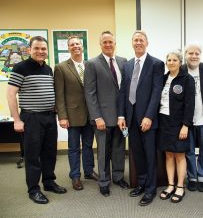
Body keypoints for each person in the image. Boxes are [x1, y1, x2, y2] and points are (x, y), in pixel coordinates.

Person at [6, 36, 67, 204]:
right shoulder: (21, 67)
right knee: (33, 155)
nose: (41, 51)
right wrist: (16, 119)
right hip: (31, 118)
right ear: (29, 50)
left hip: (49, 117)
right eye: (37, 48)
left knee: (49, 153)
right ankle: (33, 189)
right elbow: (11, 94)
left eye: (43, 49)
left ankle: (48, 182)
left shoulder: (48, 69)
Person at [118, 30, 164, 206]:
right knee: (137, 155)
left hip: (147, 120)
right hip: (130, 119)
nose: (138, 43)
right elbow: (123, 92)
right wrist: (121, 115)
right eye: (135, 40)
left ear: (147, 43)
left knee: (150, 155)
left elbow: (156, 92)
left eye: (141, 40)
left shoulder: (156, 64)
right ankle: (142, 183)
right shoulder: (128, 65)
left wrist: (149, 116)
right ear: (132, 43)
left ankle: (151, 189)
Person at [85, 31, 129, 197]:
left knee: (118, 149)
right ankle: (103, 181)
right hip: (102, 118)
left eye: (111, 42)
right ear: (100, 44)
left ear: (115, 43)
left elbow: (123, 90)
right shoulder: (92, 63)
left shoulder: (123, 62)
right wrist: (97, 117)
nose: (108, 44)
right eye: (105, 42)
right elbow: (90, 93)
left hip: (120, 117)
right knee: (103, 150)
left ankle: (118, 177)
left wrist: (123, 115)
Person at [54, 36, 98, 191]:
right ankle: (75, 176)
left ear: (82, 46)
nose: (75, 46)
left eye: (78, 44)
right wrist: (62, 116)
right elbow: (59, 94)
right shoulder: (61, 68)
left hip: (89, 114)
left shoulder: (90, 65)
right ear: (68, 48)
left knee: (88, 145)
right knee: (73, 148)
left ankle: (88, 171)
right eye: (72, 44)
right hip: (72, 116)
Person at [158, 51, 195, 203]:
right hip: (163, 122)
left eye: (174, 60)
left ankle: (180, 186)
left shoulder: (187, 79)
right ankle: (170, 185)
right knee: (168, 154)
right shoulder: (163, 78)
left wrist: (186, 125)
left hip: (179, 123)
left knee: (179, 155)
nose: (171, 62)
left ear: (180, 62)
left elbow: (190, 104)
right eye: (169, 60)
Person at [183, 44, 203, 192]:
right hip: (186, 121)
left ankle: (202, 176)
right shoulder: (181, 69)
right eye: (191, 53)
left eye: (197, 53)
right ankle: (192, 177)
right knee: (188, 151)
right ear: (185, 55)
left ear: (200, 55)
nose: (194, 56)